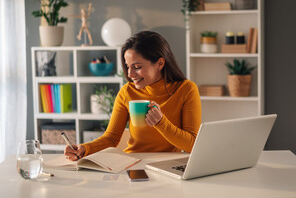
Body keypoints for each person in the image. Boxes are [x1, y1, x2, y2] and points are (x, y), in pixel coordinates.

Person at [65, 31, 202, 161]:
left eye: (137, 67)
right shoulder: (127, 92)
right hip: (132, 165)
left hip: (166, 167)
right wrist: (84, 148)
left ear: (160, 63)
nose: (130, 74)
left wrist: (161, 123)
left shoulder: (186, 90)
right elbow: (111, 138)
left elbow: (192, 145)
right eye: (127, 66)